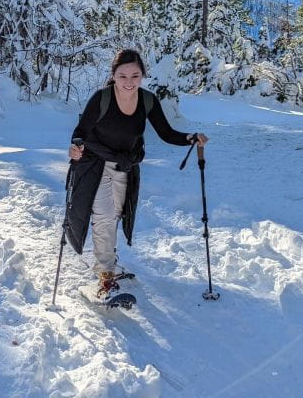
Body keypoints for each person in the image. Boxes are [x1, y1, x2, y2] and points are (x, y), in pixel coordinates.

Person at [65, 48, 208, 299]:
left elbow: (166, 132)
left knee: (116, 214)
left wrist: (190, 138)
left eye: (135, 76)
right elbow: (81, 132)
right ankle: (106, 277)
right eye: (123, 76)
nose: (129, 82)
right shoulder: (102, 98)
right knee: (105, 215)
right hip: (95, 164)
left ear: (142, 75)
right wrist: (75, 147)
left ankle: (108, 262)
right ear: (113, 75)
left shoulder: (147, 100)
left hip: (124, 165)